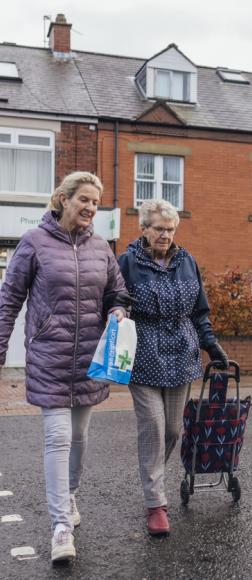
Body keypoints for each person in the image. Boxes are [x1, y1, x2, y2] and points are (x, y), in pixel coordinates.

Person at [0, 172, 130, 562]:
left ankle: (71, 494)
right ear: (63, 199)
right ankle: (60, 526)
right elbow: (9, 301)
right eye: (84, 200)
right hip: (49, 357)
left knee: (79, 437)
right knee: (57, 437)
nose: (91, 208)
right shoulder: (33, 243)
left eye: (96, 202)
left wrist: (119, 309)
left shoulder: (102, 248)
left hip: (90, 358)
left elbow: (116, 291)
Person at [118, 199, 228, 536]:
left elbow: (199, 312)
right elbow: (115, 299)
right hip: (144, 354)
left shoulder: (187, 262)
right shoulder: (127, 262)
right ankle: (156, 504)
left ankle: (154, 481)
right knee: (152, 426)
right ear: (144, 229)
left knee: (171, 432)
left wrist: (211, 345)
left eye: (170, 229)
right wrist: (118, 311)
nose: (165, 234)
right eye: (158, 229)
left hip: (182, 354)